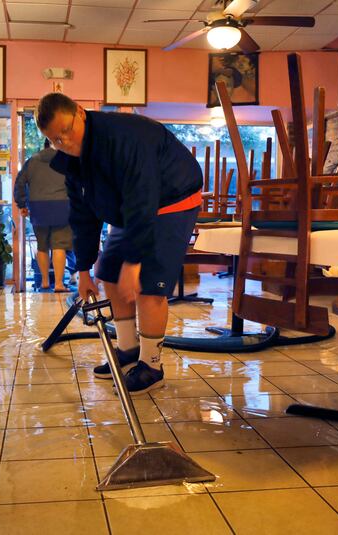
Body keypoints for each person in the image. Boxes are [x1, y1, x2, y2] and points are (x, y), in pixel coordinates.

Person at [38, 93, 203, 394]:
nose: (65, 143)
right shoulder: (73, 164)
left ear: (80, 112)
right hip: (131, 210)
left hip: (171, 199)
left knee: (148, 285)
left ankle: (152, 366)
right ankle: (128, 349)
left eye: (67, 131)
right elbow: (83, 216)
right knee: (109, 272)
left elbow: (144, 195)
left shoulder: (125, 137)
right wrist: (84, 270)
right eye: (55, 140)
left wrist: (135, 260)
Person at [14, 138, 73, 292]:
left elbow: (19, 183)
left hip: (38, 208)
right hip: (62, 207)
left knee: (42, 246)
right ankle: (59, 284)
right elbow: (77, 183)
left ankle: (45, 282)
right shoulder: (66, 160)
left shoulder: (32, 161)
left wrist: (22, 204)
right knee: (59, 245)